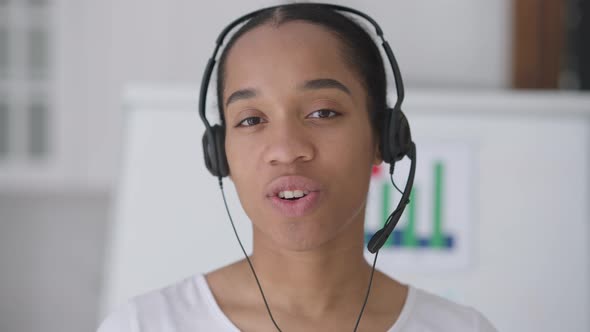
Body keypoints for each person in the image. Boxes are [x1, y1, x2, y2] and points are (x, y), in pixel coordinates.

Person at [98, 3, 497, 331]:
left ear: (383, 138)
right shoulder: (144, 326)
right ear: (220, 154)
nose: (286, 150)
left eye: (323, 112)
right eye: (251, 120)